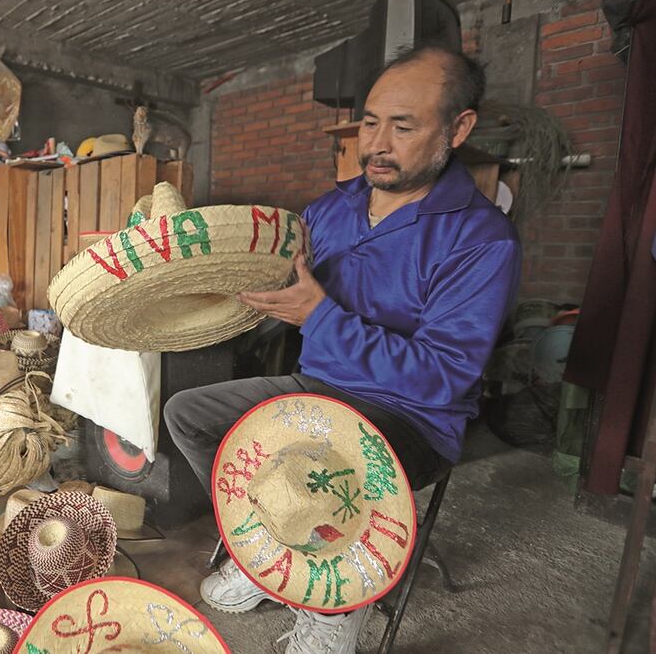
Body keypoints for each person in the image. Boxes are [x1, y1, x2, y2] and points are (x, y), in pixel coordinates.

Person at [164, 45, 522, 654]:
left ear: (458, 128)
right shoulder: (330, 211)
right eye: (370, 122)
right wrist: (249, 300)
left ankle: (335, 597)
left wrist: (319, 315)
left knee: (310, 455)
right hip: (319, 390)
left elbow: (441, 376)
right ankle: (267, 544)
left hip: (412, 417)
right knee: (188, 414)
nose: (377, 143)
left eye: (404, 126)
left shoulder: (481, 239)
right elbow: (292, 303)